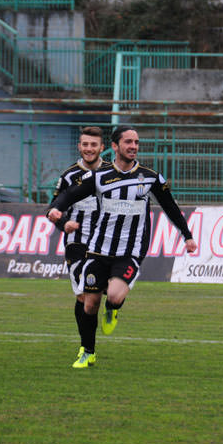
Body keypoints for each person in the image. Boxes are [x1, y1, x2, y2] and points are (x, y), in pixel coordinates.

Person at [47, 125, 197, 368]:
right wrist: (57, 208)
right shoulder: (99, 177)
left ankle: (113, 308)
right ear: (115, 146)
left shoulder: (150, 177)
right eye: (128, 142)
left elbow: (170, 206)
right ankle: (88, 351)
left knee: (115, 296)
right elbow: (71, 194)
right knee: (89, 303)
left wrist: (187, 235)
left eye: (136, 142)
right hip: (98, 248)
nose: (133, 146)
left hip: (131, 250)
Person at [50, 126, 112, 367]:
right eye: (85, 144)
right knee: (84, 298)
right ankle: (88, 349)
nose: (89, 149)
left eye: (93, 145)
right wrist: (64, 223)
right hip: (77, 244)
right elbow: (53, 210)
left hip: (107, 244)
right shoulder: (68, 176)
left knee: (99, 297)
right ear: (79, 146)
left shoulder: (113, 173)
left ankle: (113, 304)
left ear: (102, 148)